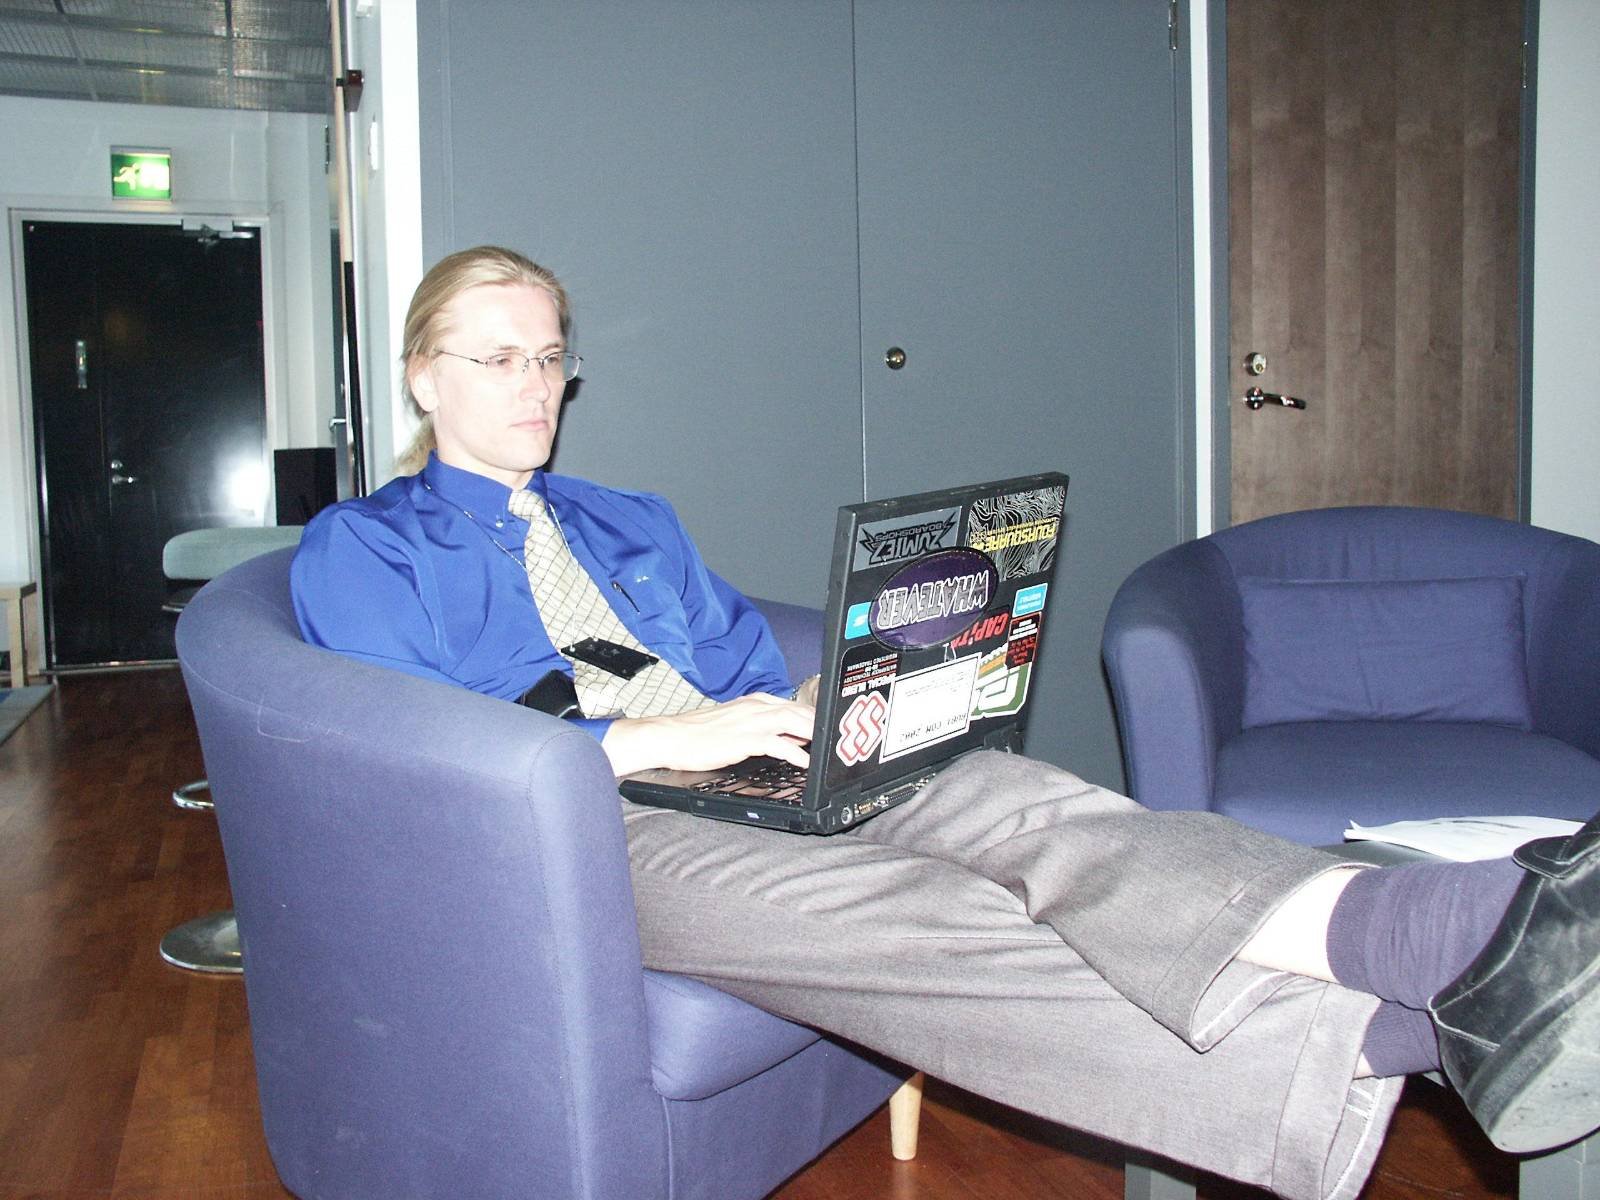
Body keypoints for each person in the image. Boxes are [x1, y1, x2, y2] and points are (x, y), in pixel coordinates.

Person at [291, 246, 1600, 1200]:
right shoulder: (364, 550)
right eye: (498, 357)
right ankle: (1421, 1025)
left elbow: (756, 667)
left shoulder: (632, 520)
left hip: (752, 757)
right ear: (421, 374)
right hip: (591, 828)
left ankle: (1443, 931)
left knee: (1028, 804)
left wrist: (868, 687)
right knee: (926, 912)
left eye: (553, 353)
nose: (537, 383)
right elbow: (428, 758)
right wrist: (650, 746)